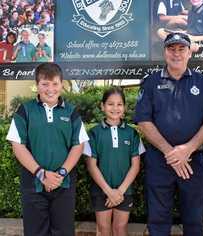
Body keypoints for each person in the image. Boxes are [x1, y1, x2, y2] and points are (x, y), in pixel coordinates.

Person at [134, 32, 203, 236]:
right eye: (172, 49)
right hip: (159, 161)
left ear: (190, 53)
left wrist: (186, 150)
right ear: (164, 52)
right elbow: (144, 121)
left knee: (194, 221)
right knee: (158, 221)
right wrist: (171, 153)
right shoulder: (151, 82)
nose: (176, 53)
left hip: (193, 161)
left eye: (182, 49)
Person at [6, 62, 89, 236]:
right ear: (37, 85)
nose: (50, 89)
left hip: (63, 184)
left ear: (62, 84)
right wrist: (41, 174)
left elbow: (78, 145)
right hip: (33, 185)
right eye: (45, 84)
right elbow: (18, 145)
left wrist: (61, 173)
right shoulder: (25, 111)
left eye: (55, 84)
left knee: (64, 232)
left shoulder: (71, 112)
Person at [84, 87, 144, 236]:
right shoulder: (93, 133)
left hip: (124, 191)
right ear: (102, 106)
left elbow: (135, 166)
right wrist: (109, 192)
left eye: (119, 104)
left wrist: (119, 192)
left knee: (120, 229)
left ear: (124, 107)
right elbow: (91, 166)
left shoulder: (132, 133)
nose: (115, 108)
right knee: (104, 229)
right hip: (101, 190)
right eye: (110, 104)